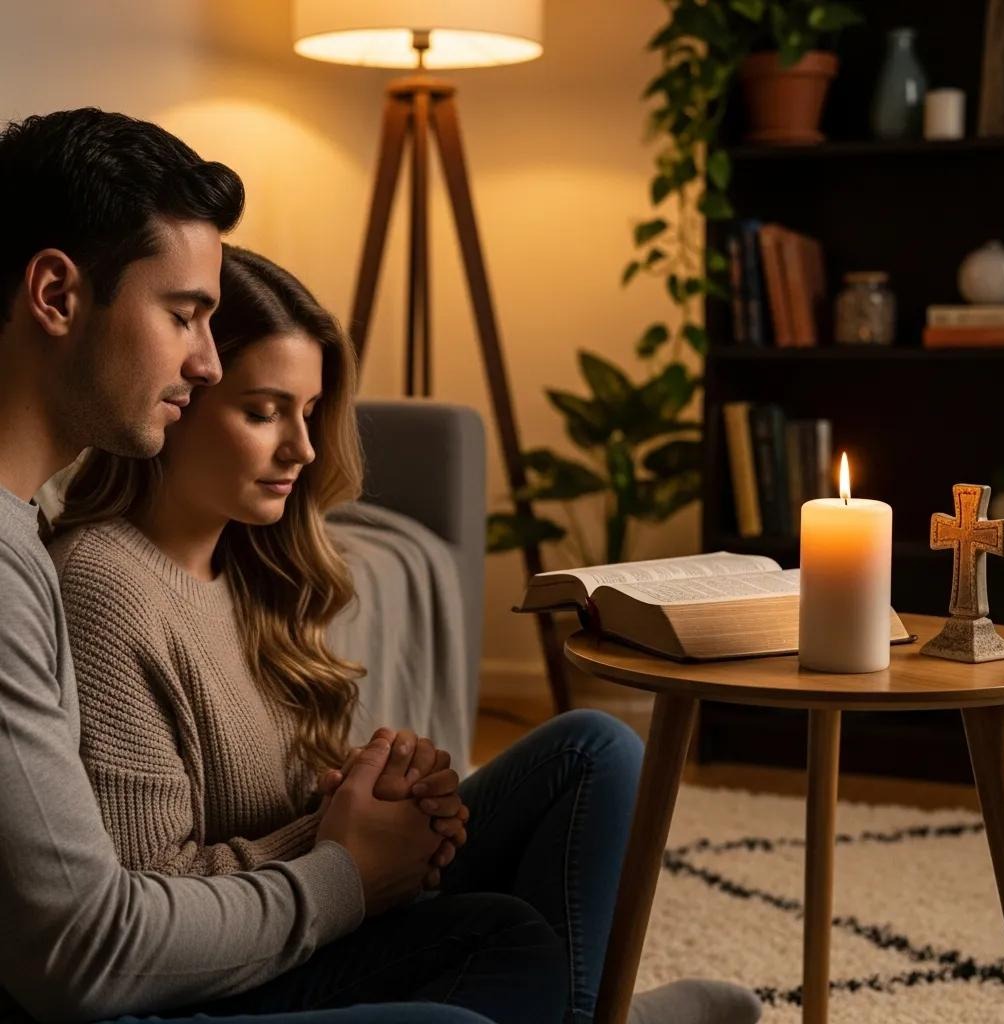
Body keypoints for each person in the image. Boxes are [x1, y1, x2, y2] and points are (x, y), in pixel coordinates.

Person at [48, 243, 763, 1024]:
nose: (303, 449)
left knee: (594, 752)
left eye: (311, 412)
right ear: (178, 404)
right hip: (214, 977)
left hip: (316, 915)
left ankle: (587, 1012)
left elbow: (286, 810)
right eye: (263, 412)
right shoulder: (104, 589)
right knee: (507, 955)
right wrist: (344, 850)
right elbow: (144, 905)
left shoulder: (253, 563)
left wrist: (387, 795)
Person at [0, 105, 512, 1024]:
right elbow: (84, 948)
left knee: (577, 774)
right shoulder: (46, 575)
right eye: (185, 316)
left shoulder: (22, 537)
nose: (204, 364)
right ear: (56, 295)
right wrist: (346, 868)